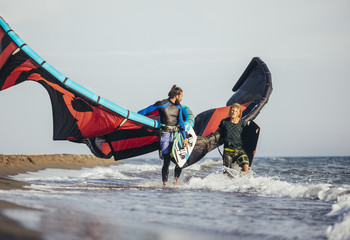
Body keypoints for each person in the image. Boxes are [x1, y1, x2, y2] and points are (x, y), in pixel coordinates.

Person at [138, 85, 188, 186]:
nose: (182, 98)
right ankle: (165, 183)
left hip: (176, 135)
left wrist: (185, 138)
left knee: (180, 160)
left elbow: (181, 124)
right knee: (166, 160)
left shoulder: (178, 107)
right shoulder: (162, 104)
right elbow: (144, 111)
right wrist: (136, 118)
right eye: (181, 96)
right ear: (177, 95)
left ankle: (175, 182)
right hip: (165, 135)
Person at [216, 103, 249, 173]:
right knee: (227, 174)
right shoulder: (224, 122)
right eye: (232, 110)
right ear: (230, 111)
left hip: (239, 150)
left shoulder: (242, 123)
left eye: (236, 111)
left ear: (239, 113)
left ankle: (240, 181)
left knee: (245, 166)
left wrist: (252, 149)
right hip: (228, 152)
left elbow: (248, 137)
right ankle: (230, 183)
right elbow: (218, 133)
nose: (233, 112)